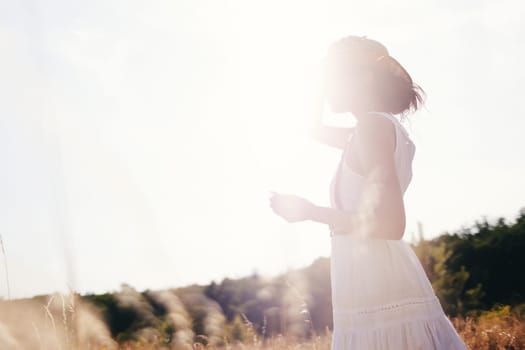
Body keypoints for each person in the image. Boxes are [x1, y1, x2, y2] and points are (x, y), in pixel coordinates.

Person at [269, 35, 467, 349]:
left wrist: (309, 212)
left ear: (361, 78)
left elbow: (391, 224)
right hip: (366, 279)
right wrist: (317, 82)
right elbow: (309, 128)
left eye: (334, 76)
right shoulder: (366, 130)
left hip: (379, 281)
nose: (329, 84)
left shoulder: (373, 128)